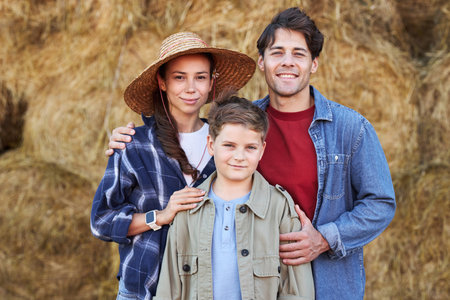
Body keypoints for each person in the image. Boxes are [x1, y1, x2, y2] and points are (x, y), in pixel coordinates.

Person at [107, 7, 396, 300]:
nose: (287, 62)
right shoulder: (241, 124)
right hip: (250, 282)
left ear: (314, 64)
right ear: (262, 62)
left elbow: (381, 203)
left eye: (298, 53)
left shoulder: (351, 129)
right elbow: (192, 134)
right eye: (277, 52)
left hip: (328, 282)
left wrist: (324, 239)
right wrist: (135, 139)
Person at [90, 31, 256, 300]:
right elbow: (101, 222)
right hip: (144, 290)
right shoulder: (135, 145)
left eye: (200, 77)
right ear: (162, 82)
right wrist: (160, 216)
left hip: (210, 290)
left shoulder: (229, 145)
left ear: (212, 82)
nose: (191, 88)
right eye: (179, 77)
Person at [154, 94, 314, 300]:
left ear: (262, 150)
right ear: (211, 145)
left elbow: (297, 290)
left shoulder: (279, 208)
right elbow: (169, 289)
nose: (239, 156)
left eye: (250, 148)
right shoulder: (188, 207)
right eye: (229, 145)